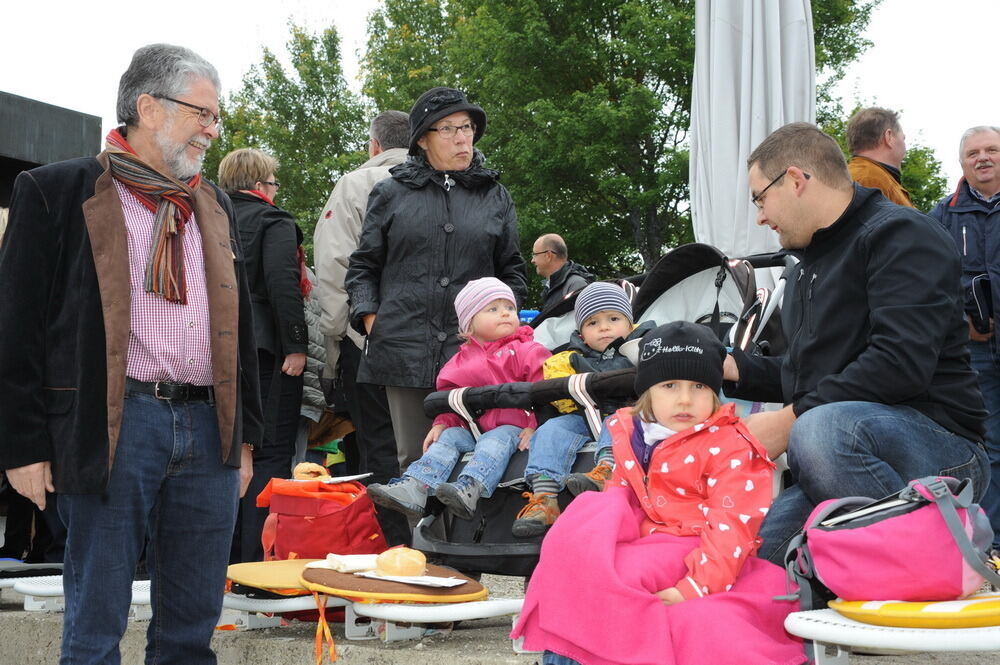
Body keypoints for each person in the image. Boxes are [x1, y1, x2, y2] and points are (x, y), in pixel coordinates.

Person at [0, 44, 262, 664]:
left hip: (208, 430)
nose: (212, 129)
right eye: (202, 112)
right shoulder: (54, 191)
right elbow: (16, 332)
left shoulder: (214, 205)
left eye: (215, 117)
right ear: (148, 106)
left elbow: (239, 328)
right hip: (114, 423)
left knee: (192, 624)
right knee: (95, 621)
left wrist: (243, 439)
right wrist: (23, 448)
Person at [724, 121, 988, 564]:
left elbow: (898, 363)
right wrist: (730, 367)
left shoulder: (901, 235)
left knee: (819, 429)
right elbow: (809, 377)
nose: (760, 217)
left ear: (794, 180)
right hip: (839, 453)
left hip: (942, 447)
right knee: (762, 566)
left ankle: (944, 561)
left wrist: (788, 422)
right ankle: (888, 581)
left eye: (759, 199)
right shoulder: (805, 265)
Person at [511, 322, 803, 665]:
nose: (684, 399)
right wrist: (593, 543)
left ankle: (593, 649)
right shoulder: (633, 435)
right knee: (577, 532)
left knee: (691, 620)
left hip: (702, 553)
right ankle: (570, 651)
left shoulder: (731, 446)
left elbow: (731, 529)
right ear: (648, 391)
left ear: (714, 392)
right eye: (669, 385)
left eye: (698, 386)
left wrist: (694, 588)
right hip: (647, 547)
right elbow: (618, 497)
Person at [346, 87, 527, 471]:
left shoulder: (495, 196)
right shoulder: (391, 192)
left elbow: (512, 270)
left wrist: (500, 325)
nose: (462, 138)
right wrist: (372, 321)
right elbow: (363, 267)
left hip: (480, 355)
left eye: (467, 127)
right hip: (403, 348)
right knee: (413, 459)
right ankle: (411, 535)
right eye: (448, 129)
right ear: (422, 139)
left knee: (481, 453)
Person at [366, 278, 550, 520]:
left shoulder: (527, 350)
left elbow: (545, 391)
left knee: (497, 435)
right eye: (493, 309)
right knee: (450, 437)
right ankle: (417, 486)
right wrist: (442, 422)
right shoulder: (460, 362)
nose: (505, 313)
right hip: (473, 430)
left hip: (515, 430)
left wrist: (535, 426)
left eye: (510, 308)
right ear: (469, 323)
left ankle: (470, 487)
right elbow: (449, 399)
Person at [314, 110, 410, 544]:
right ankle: (444, 559)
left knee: (380, 449)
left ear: (374, 146)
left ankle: (397, 555)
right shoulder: (449, 186)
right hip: (443, 343)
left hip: (369, 337)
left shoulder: (356, 185)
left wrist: (336, 348)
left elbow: (335, 269)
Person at [219, 147, 308, 563]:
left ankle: (219, 559)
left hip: (209, 347)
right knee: (269, 449)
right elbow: (281, 283)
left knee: (222, 448)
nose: (275, 190)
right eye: (273, 183)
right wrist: (295, 344)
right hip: (262, 348)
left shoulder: (208, 216)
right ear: (259, 186)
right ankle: (254, 562)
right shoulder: (274, 220)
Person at [512, 282, 652, 537]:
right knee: (551, 430)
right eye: (592, 323)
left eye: (613, 318)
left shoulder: (643, 347)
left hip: (627, 412)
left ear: (629, 322)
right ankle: (544, 498)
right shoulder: (570, 358)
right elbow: (553, 397)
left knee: (618, 420)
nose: (604, 327)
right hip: (584, 415)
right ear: (581, 332)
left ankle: (606, 472)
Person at [930, 125, 1000, 546]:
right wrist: (962, 315)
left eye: (992, 149)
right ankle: (990, 544)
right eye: (974, 152)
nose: (983, 157)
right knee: (989, 446)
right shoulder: (943, 215)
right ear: (962, 163)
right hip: (975, 352)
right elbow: (930, 279)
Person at [845, 107, 913, 207]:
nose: (904, 145)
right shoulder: (869, 179)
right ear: (888, 137)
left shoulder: (870, 176)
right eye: (903, 138)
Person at [532, 233, 595, 311]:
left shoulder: (576, 284)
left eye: (535, 254)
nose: (532, 260)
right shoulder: (552, 287)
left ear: (548, 255)